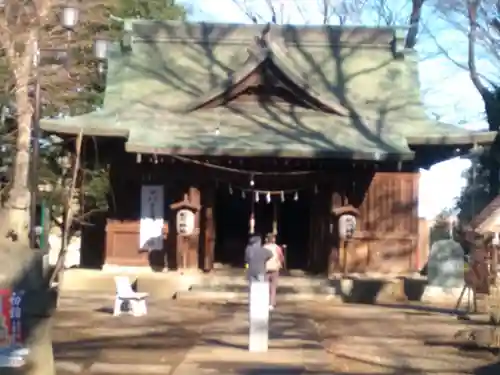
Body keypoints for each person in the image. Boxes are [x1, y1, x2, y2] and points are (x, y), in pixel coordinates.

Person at [264, 233, 284, 311]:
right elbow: (281, 257)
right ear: (274, 239)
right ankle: (271, 304)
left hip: (266, 269)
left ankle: (265, 302)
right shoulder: (277, 248)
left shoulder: (264, 247)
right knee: (273, 287)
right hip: (275, 268)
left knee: (266, 286)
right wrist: (280, 264)